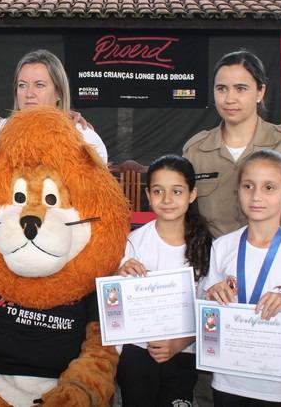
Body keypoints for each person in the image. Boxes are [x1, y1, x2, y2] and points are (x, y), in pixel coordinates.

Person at [203, 149, 281, 406]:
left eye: (269, 187)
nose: (257, 196)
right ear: (238, 191)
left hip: (278, 387)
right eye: (248, 186)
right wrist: (212, 296)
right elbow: (206, 309)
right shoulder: (222, 247)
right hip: (227, 378)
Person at [183, 50, 281, 245]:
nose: (229, 98)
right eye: (222, 89)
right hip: (216, 268)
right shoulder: (195, 151)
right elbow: (183, 219)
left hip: (274, 266)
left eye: (240, 88)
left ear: (260, 92)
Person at [116, 155, 212, 407]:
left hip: (183, 351)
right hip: (137, 350)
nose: (167, 200)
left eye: (177, 191)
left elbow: (210, 310)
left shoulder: (208, 247)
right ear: (148, 195)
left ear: (192, 194)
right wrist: (119, 276)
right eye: (158, 191)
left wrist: (179, 343)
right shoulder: (133, 243)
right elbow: (114, 304)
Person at [0, 49, 108, 163]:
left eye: (39, 85)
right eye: (22, 85)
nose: (29, 93)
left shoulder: (85, 138)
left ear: (58, 92)